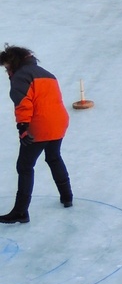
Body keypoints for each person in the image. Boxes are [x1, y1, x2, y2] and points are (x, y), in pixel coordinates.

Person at [0, 45, 73, 224]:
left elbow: (23, 103)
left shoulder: (21, 76)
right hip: (59, 122)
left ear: (14, 62)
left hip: (39, 125)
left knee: (24, 167)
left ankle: (20, 212)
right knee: (54, 157)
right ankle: (67, 197)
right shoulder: (48, 74)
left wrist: (23, 128)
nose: (7, 70)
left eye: (7, 66)